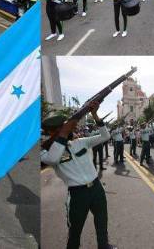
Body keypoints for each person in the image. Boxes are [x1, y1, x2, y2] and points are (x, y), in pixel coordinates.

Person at [40, 104, 116, 249]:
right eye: (63, 127)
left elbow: (106, 136)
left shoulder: (80, 142)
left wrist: (95, 115)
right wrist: (62, 134)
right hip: (77, 194)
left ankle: (104, 245)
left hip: (96, 188)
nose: (70, 129)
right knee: (75, 230)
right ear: (53, 132)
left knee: (102, 221)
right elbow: (54, 159)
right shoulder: (45, 152)